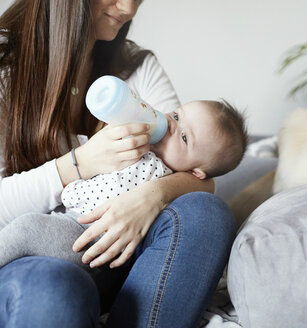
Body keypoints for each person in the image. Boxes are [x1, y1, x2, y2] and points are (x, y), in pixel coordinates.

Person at [0, 0, 244, 327]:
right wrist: (80, 163)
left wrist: (147, 198)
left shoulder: (138, 65)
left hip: (132, 260)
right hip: (51, 254)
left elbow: (201, 172)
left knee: (207, 212)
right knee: (55, 289)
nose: (128, 7)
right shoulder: (7, 65)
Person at [0, 99, 247, 271]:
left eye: (184, 137)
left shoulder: (164, 174)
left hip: (87, 237)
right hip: (67, 217)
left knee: (27, 228)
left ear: (195, 171)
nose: (171, 125)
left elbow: (206, 187)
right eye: (176, 115)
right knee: (27, 226)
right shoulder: (141, 140)